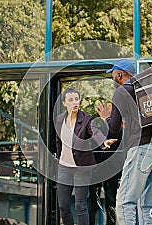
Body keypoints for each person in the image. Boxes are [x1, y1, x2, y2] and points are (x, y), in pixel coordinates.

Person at [97, 59, 152, 225]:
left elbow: (113, 127)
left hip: (141, 147)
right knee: (147, 204)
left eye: (113, 74)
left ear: (120, 74)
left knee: (125, 202)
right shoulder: (145, 90)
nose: (112, 77)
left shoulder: (122, 92)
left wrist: (106, 117)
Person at [55, 88, 117, 225]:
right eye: (71, 100)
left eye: (76, 99)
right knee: (63, 206)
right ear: (64, 103)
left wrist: (103, 142)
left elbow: (94, 130)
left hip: (82, 168)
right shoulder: (59, 120)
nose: (75, 102)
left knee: (80, 206)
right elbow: (58, 142)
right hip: (64, 167)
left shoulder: (86, 119)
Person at [88, 128, 122, 225]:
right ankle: (91, 222)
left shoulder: (116, 123)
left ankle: (110, 223)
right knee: (93, 198)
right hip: (96, 166)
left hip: (112, 167)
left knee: (110, 199)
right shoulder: (93, 123)